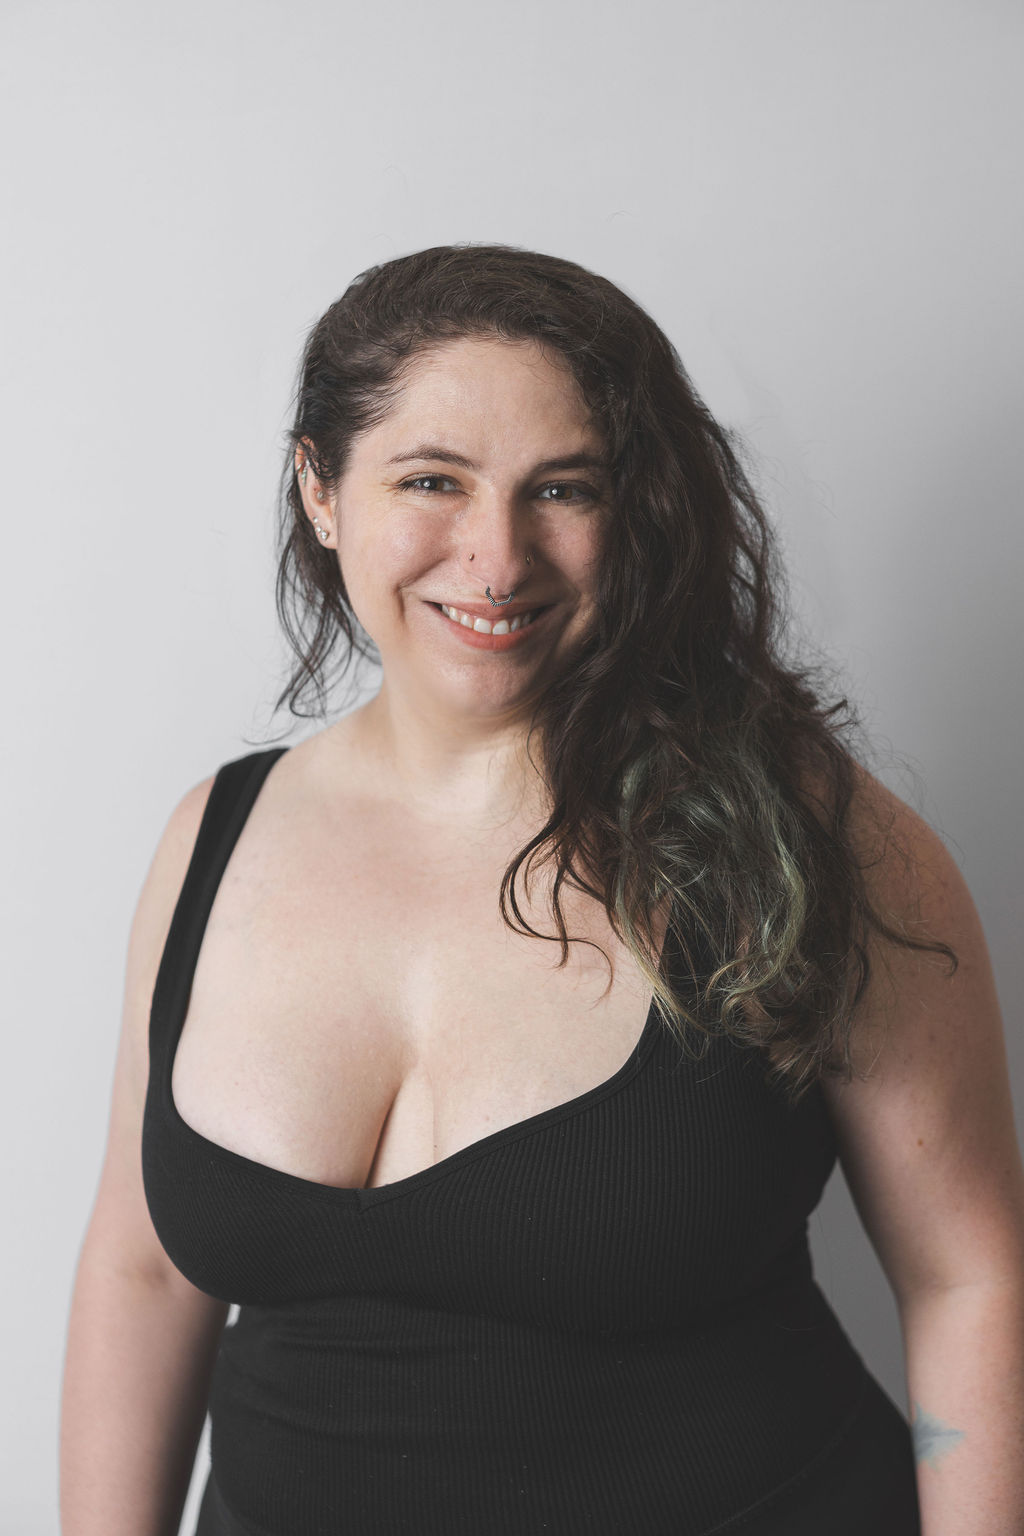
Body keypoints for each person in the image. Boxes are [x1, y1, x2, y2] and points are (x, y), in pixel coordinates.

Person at [59, 244, 1024, 1536]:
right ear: (322, 489)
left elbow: (970, 1275)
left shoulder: (803, 832)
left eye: (561, 488)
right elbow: (143, 1273)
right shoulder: (213, 836)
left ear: (638, 510)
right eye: (432, 481)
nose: (498, 558)